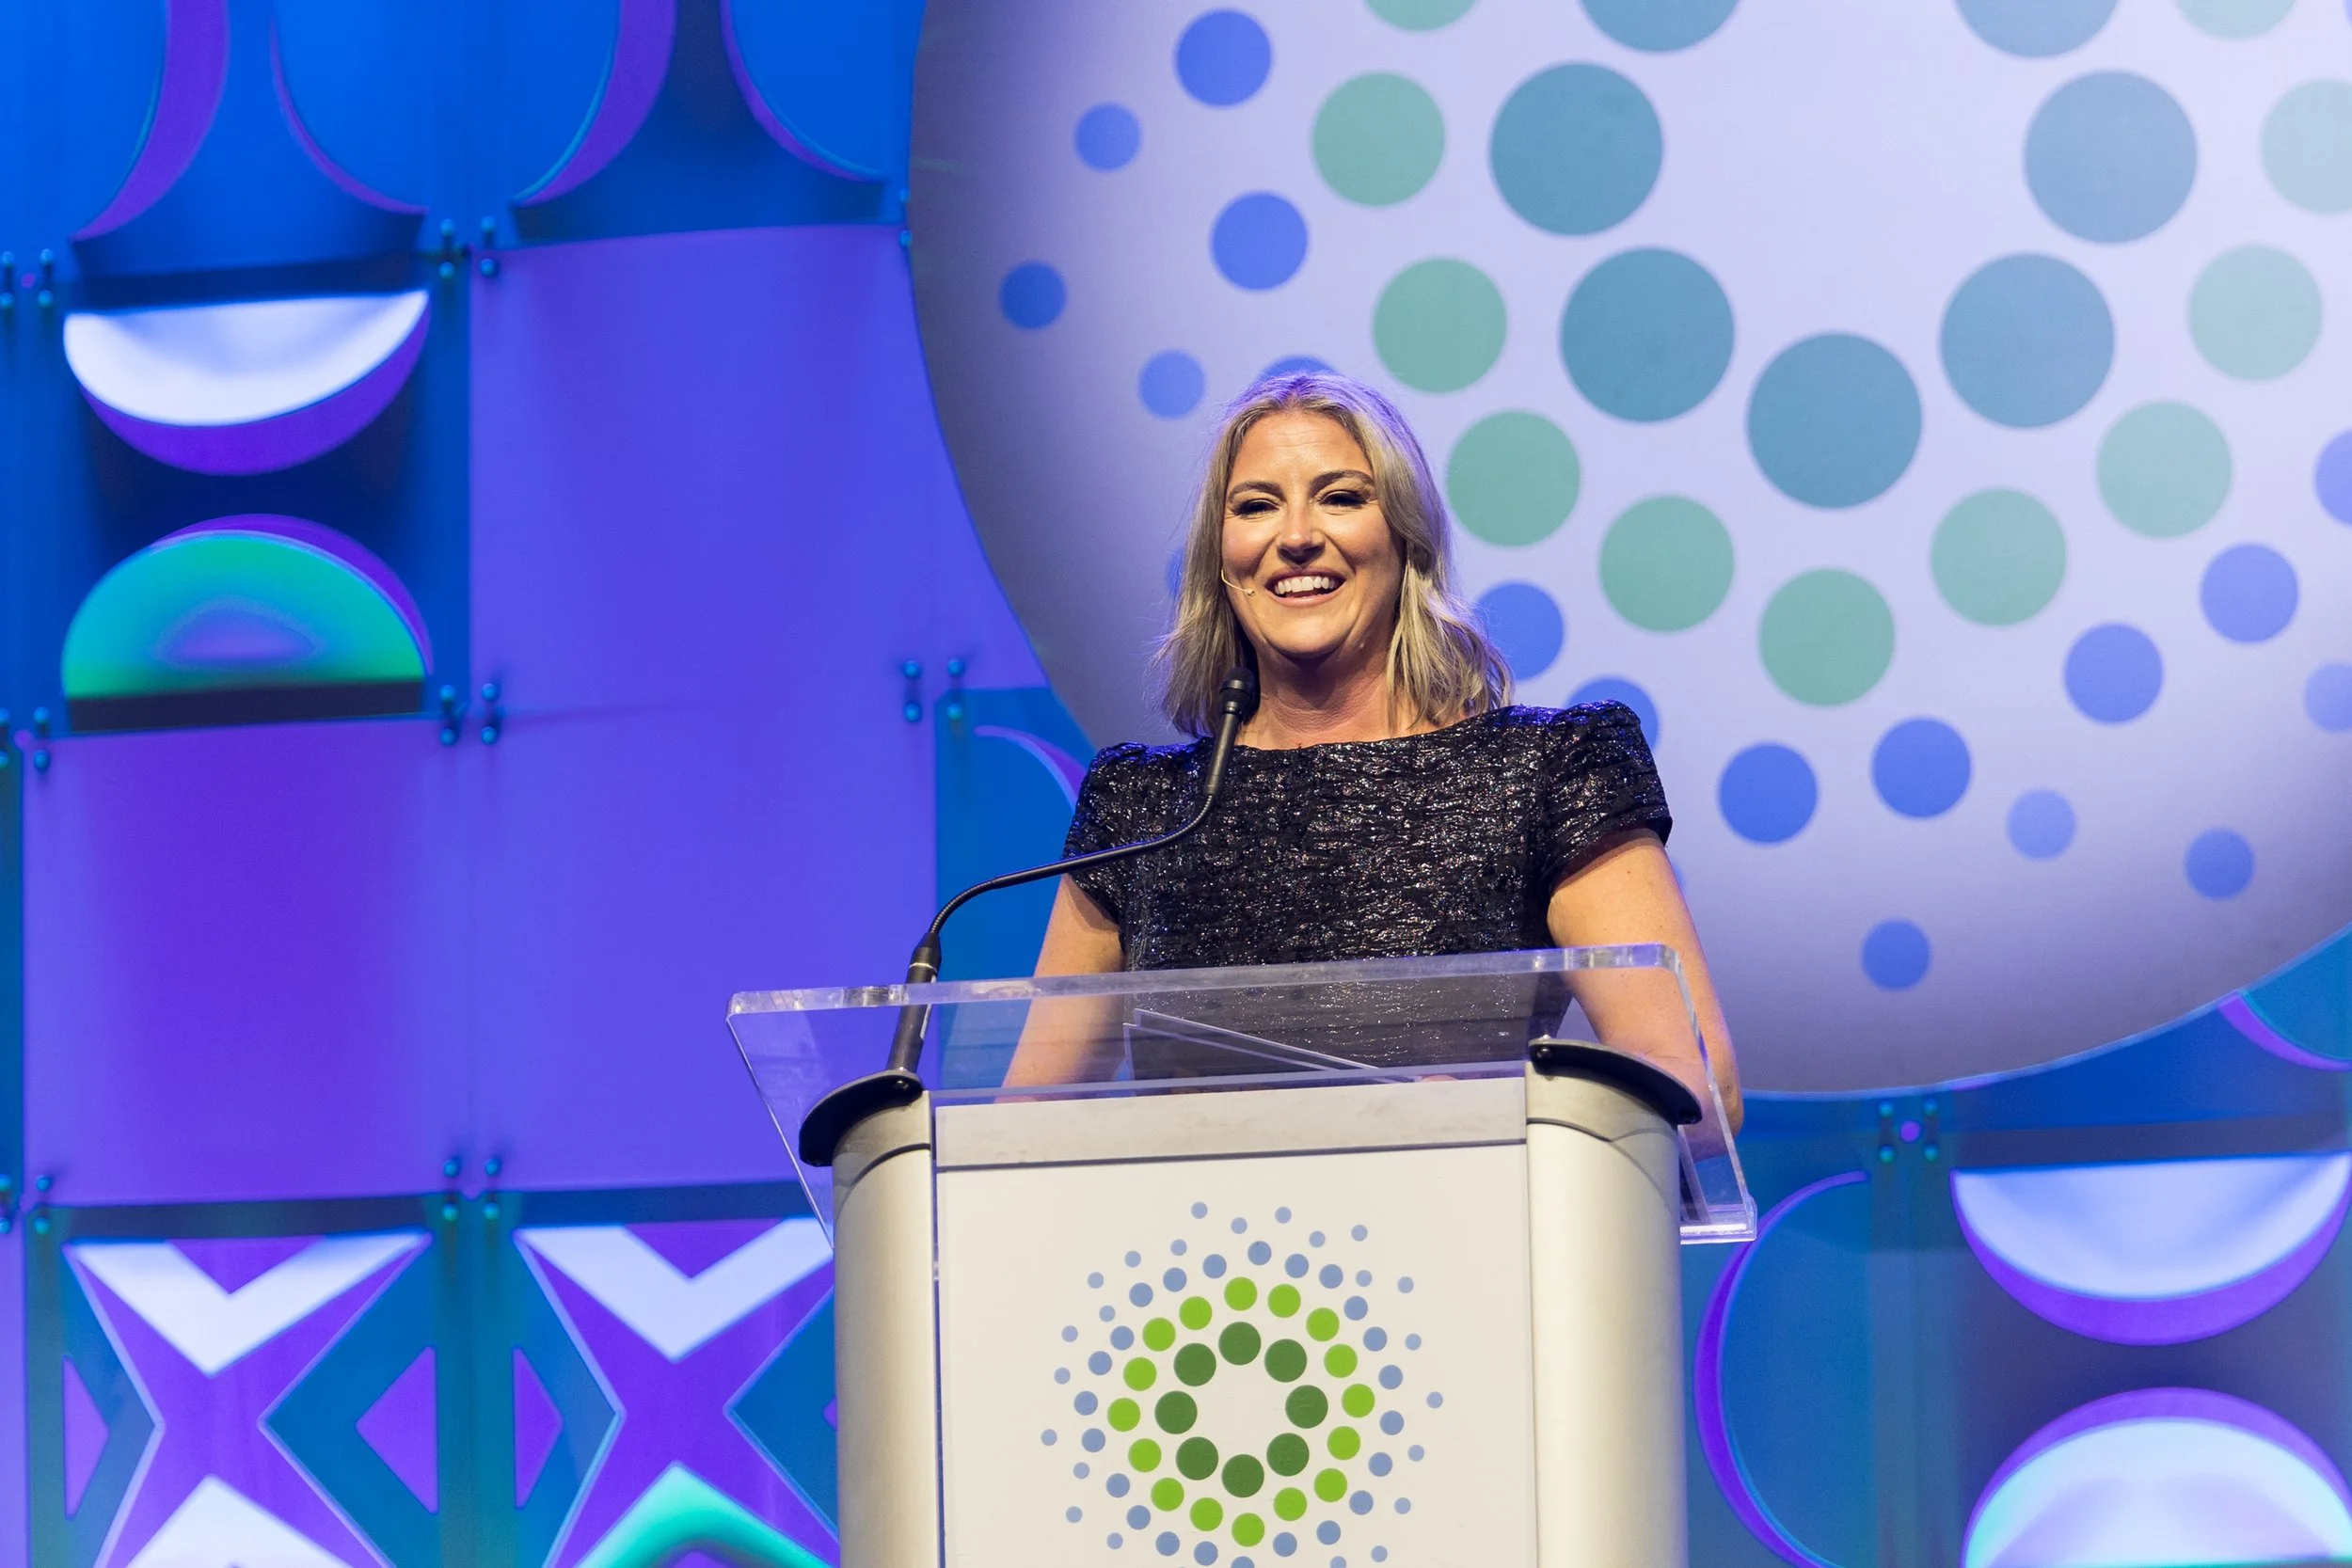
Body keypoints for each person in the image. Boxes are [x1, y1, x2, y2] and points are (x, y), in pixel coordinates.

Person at [1009, 372, 1740, 1129]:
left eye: (1342, 497)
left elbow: (1698, 1086)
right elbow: (1021, 1130)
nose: (1295, 537)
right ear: (1222, 561)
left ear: (1406, 538)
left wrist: (1486, 1115)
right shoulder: (1143, 809)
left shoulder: (1550, 771)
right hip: (1199, 1241)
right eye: (1257, 506)